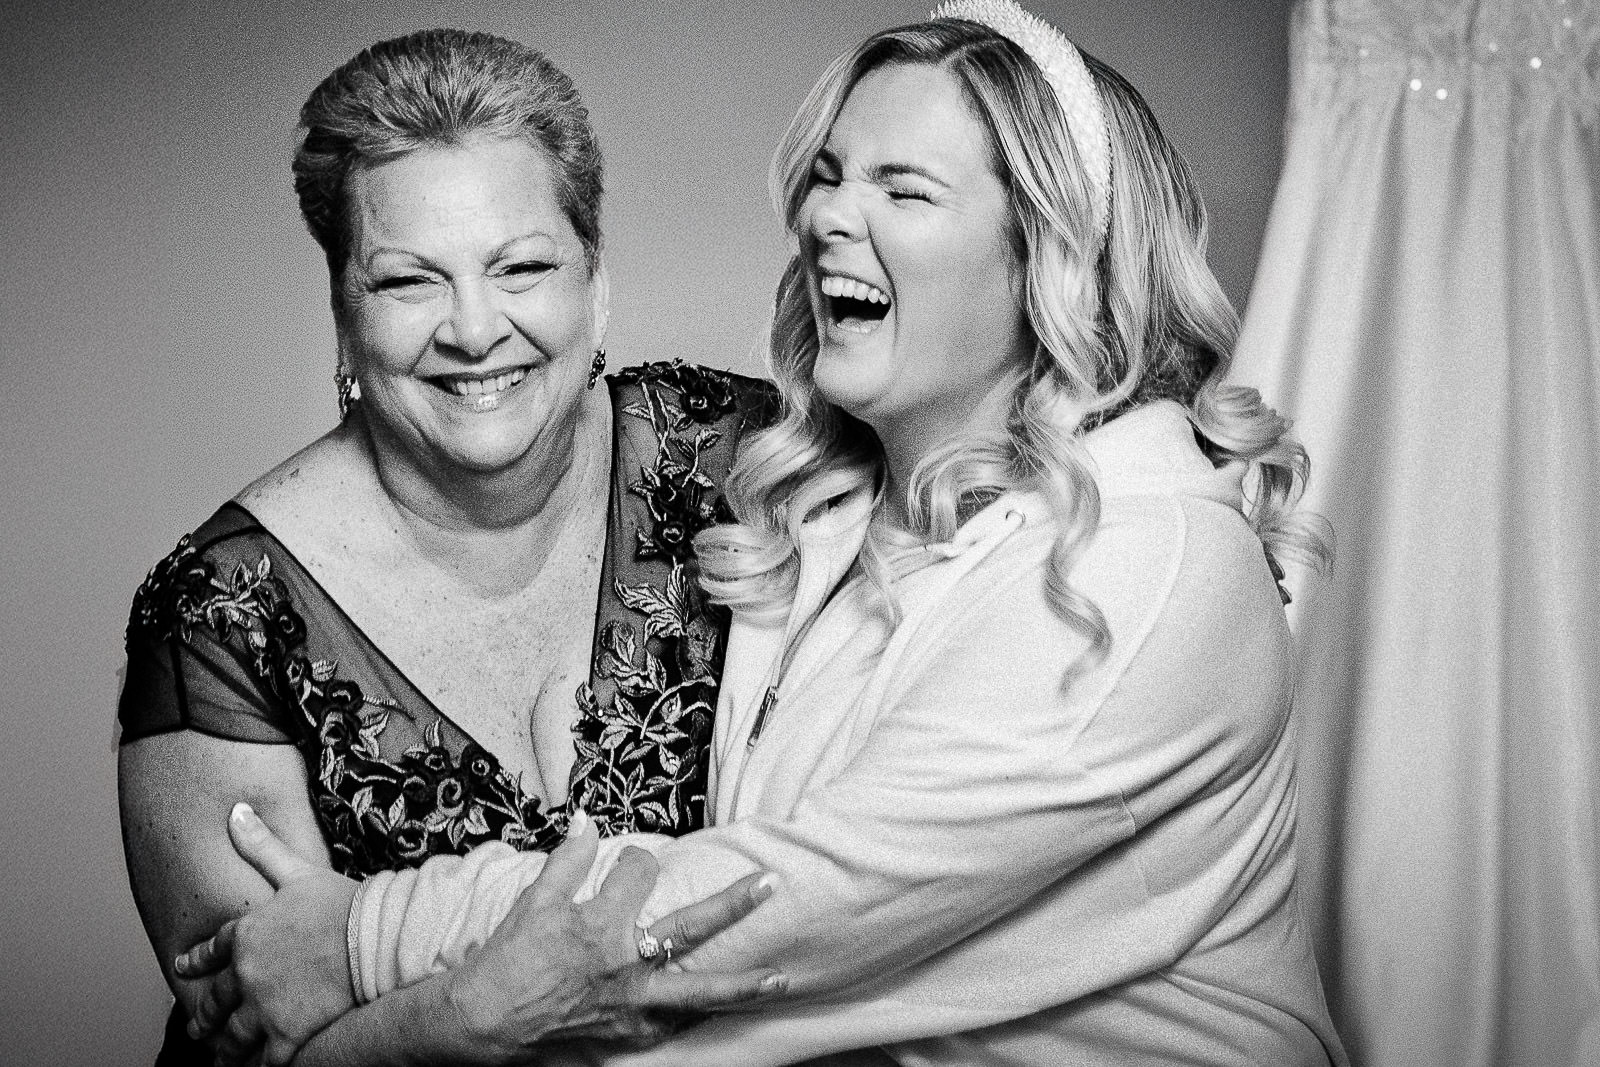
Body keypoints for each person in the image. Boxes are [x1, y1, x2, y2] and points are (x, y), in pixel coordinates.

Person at [180, 4, 1349, 1064]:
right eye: (829, 177)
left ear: (1051, 251)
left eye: (904, 189)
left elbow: (788, 900)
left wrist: (367, 937)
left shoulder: (1139, 565)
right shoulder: (821, 515)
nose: (825, 213)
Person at [116, 28, 791, 1067]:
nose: (475, 330)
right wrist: (473, 1014)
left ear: (596, 286)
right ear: (342, 311)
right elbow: (249, 1046)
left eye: (522, 266)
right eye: (408, 282)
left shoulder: (740, 458)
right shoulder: (222, 613)